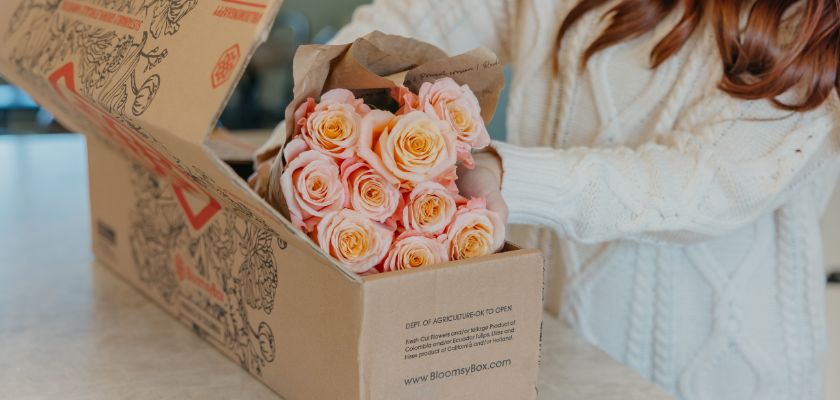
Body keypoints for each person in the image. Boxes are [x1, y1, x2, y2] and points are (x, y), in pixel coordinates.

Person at [328, 1, 840, 399]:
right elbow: (411, 22)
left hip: (718, 380)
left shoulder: (806, 19)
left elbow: (710, 183)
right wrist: (325, 100)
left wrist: (505, 173)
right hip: (551, 353)